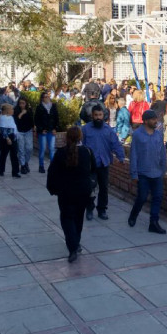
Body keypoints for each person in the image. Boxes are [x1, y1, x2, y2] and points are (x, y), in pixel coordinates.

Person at [46, 127, 97, 263]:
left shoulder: (61, 153)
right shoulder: (87, 152)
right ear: (80, 137)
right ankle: (76, 243)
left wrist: (52, 189)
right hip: (83, 192)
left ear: (67, 137)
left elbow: (52, 173)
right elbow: (93, 170)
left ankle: (73, 247)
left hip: (65, 192)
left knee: (67, 219)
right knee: (78, 218)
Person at [82, 105, 126, 220]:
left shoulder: (108, 130)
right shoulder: (86, 129)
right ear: (92, 116)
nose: (98, 117)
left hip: (104, 163)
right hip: (90, 165)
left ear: (103, 116)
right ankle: (89, 208)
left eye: (100, 115)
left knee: (104, 188)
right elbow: (80, 146)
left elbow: (116, 144)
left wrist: (121, 157)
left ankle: (102, 210)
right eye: (96, 115)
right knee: (90, 188)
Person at [128, 110, 167, 234]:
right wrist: (134, 173)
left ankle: (153, 223)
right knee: (142, 197)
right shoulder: (137, 135)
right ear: (145, 121)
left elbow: (162, 153)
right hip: (143, 172)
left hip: (157, 172)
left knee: (158, 197)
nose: (156, 121)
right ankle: (133, 215)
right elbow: (133, 155)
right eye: (153, 119)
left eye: (156, 119)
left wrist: (163, 169)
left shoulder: (158, 134)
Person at [35, 91, 59, 174]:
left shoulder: (53, 106)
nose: (47, 98)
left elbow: (56, 118)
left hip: (51, 130)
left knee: (52, 149)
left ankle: (52, 166)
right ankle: (41, 166)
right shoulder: (39, 107)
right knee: (42, 149)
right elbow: (37, 120)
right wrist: (41, 129)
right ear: (42, 98)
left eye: (48, 96)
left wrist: (55, 128)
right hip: (43, 131)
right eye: (45, 97)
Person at [0, 104, 20, 178]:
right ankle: (1, 170)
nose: (13, 111)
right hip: (5, 138)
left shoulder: (11, 117)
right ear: (7, 110)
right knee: (3, 154)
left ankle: (15, 171)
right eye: (11, 109)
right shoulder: (1, 118)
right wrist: (7, 138)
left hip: (13, 136)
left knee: (14, 155)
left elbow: (14, 127)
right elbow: (2, 129)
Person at [14, 97, 34, 174]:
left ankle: (26, 162)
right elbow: (17, 120)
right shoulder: (16, 110)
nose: (22, 105)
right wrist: (22, 113)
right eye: (20, 103)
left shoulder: (29, 110)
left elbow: (32, 120)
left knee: (29, 148)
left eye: (23, 103)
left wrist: (34, 127)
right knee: (21, 149)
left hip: (28, 131)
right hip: (19, 131)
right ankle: (22, 165)